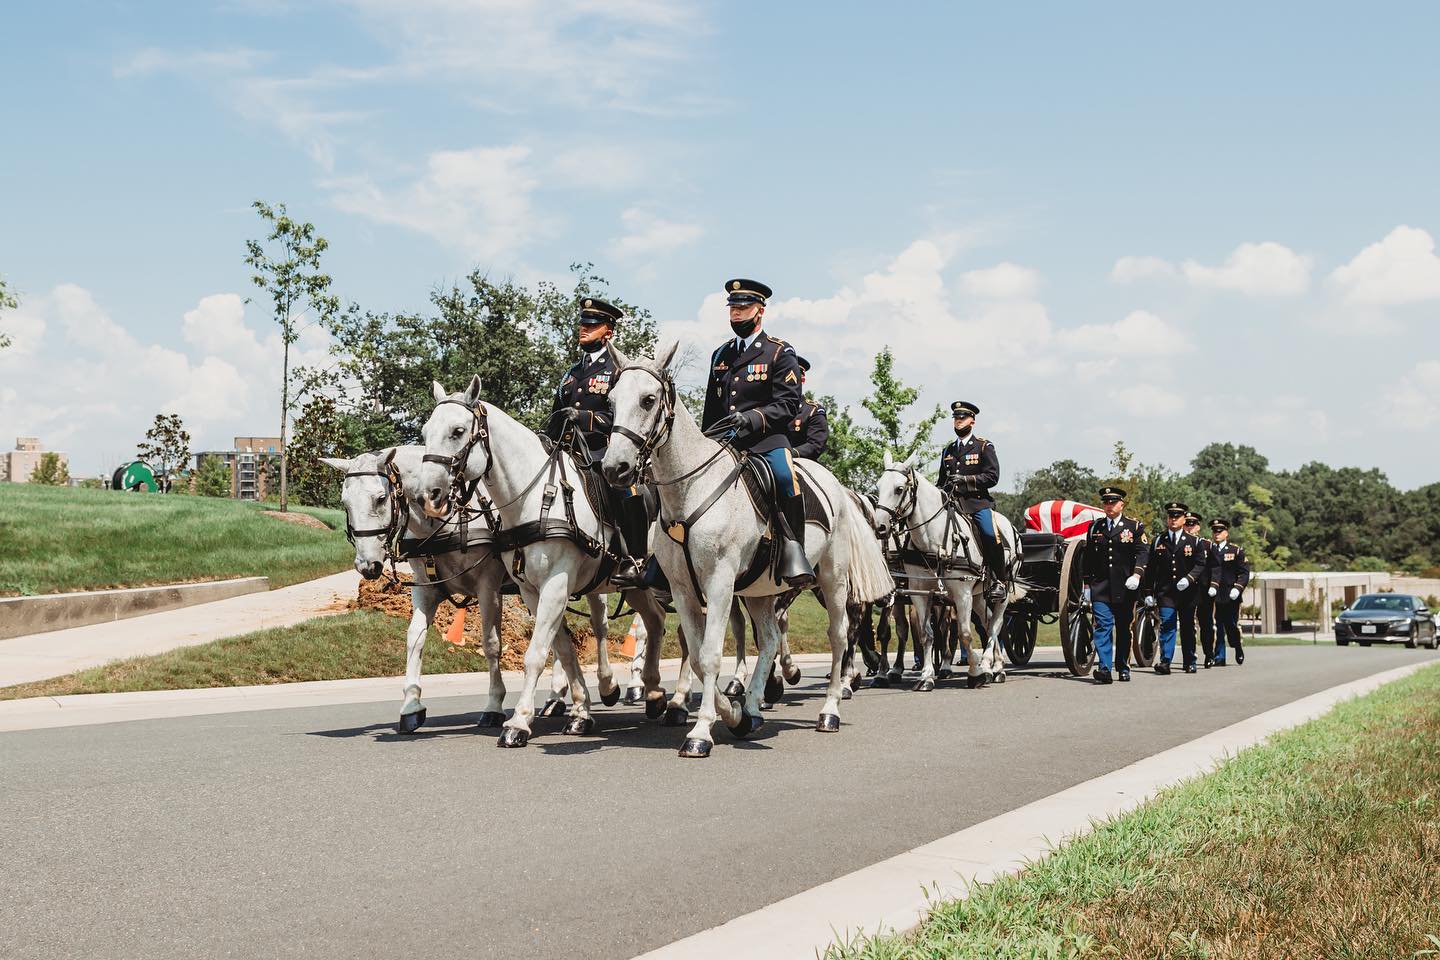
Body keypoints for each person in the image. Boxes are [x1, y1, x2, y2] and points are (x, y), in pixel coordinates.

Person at [700, 278, 813, 587]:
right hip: (725, 441)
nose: (736, 314)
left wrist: (752, 418)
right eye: (733, 308)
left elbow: (789, 404)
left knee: (784, 476)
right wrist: (704, 440)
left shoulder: (779, 352)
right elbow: (711, 409)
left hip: (767, 440)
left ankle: (794, 551)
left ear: (760, 311)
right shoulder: (720, 355)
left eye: (743, 308)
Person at [546, 296, 647, 589]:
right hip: (568, 450)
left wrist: (585, 417)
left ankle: (636, 558)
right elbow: (556, 415)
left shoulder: (619, 371)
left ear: (608, 332)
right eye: (583, 324)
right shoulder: (571, 374)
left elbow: (622, 416)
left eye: (592, 325)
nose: (584, 329)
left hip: (604, 448)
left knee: (626, 490)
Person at [937, 401, 1005, 599]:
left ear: (972, 421)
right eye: (956, 418)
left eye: (962, 417)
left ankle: (998, 580)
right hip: (952, 504)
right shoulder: (947, 451)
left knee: (990, 534)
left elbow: (992, 477)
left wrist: (967, 480)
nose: (958, 421)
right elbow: (941, 481)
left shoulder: (984, 446)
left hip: (976, 503)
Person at [1082, 485, 1150, 684]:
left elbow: (1143, 553)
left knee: (1123, 628)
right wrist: (1087, 586)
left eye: (1113, 502)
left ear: (1122, 504)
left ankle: (1122, 666)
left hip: (1126, 586)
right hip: (1101, 586)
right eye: (1106, 502)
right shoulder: (1095, 528)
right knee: (1103, 625)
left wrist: (1137, 575)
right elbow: (1088, 559)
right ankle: (1104, 668)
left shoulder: (1134, 527)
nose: (1109, 506)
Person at [1143, 501, 1206, 674]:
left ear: (1184, 519)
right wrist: (1148, 592)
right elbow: (1151, 569)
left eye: (1177, 516)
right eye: (1171, 516)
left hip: (1188, 593)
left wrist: (1190, 578)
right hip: (1166, 592)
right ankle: (1165, 661)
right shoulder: (1158, 541)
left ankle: (1190, 660)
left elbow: (1200, 565)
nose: (1173, 520)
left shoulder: (1195, 541)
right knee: (1167, 625)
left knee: (1187, 627)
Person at [1209, 519, 1251, 665]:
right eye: (1214, 531)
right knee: (1218, 626)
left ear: (1226, 533)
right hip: (1214, 594)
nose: (1216, 534)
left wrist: (1238, 588)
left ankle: (1237, 646)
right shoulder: (1209, 549)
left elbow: (1244, 573)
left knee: (1231, 625)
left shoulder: (1235, 551)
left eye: (1220, 531)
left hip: (1231, 594)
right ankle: (1219, 656)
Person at [1181, 512, 1218, 669]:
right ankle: (1189, 657)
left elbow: (1216, 567)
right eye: (1187, 524)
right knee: (1187, 624)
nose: (1189, 527)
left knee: (1206, 623)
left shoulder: (1207, 545)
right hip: (1186, 590)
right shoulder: (1180, 543)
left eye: (1192, 524)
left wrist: (1214, 585)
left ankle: (1209, 653)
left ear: (1198, 527)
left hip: (1203, 590)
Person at [785, 357, 829, 460]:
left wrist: (791, 453)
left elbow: (816, 445)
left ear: (803, 379)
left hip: (798, 462)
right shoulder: (766, 407)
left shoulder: (813, 411)